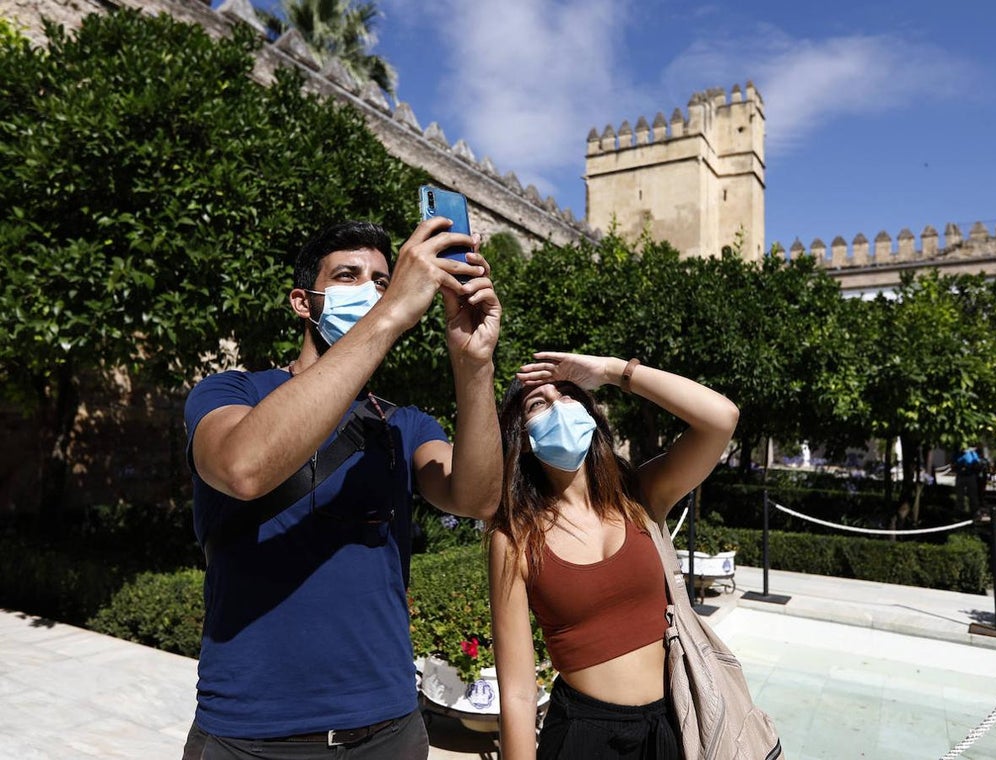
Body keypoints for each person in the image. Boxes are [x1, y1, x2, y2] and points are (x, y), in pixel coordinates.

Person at [181, 219, 503, 759]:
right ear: (304, 303)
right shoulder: (232, 391)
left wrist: (474, 365)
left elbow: (476, 498)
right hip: (251, 735)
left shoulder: (406, 425)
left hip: (389, 729)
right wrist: (390, 314)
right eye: (348, 275)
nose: (373, 291)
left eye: (382, 280)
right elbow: (243, 467)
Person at [487, 351, 741, 759]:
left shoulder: (640, 496)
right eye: (538, 403)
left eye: (569, 396)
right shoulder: (515, 538)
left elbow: (721, 418)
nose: (557, 406)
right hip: (583, 735)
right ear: (524, 439)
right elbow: (517, 692)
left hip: (672, 724)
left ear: (591, 415)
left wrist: (611, 371)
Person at [953, 444, 983, 516]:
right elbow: (953, 464)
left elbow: (977, 463)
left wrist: (973, 467)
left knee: (973, 495)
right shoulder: (957, 454)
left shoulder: (972, 454)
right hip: (960, 475)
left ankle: (974, 511)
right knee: (960, 495)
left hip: (970, 475)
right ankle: (960, 511)